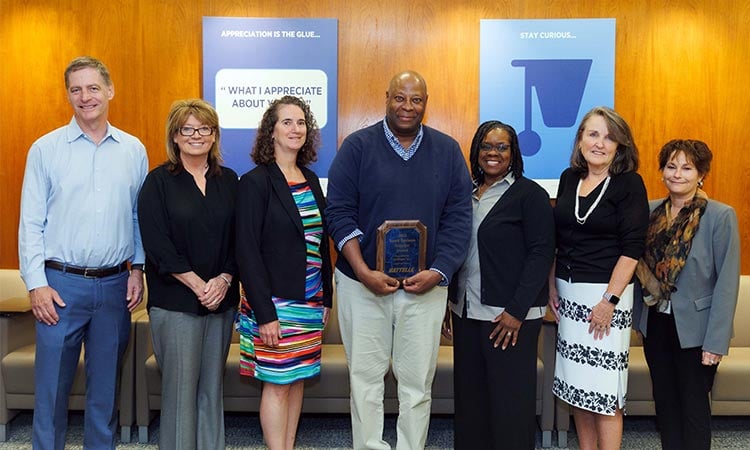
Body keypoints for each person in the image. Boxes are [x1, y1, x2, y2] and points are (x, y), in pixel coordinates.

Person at [326, 70, 472, 450]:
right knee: (364, 379)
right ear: (387, 97)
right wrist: (362, 270)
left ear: (426, 102)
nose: (408, 107)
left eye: (417, 99)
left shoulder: (447, 150)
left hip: (425, 287)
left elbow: (459, 217)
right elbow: (338, 212)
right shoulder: (356, 147)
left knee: (417, 383)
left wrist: (439, 272)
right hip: (362, 286)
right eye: (400, 98)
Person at [18, 56, 147, 450]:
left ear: (110, 91)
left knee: (105, 392)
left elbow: (139, 217)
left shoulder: (133, 150)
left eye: (93, 88)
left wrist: (138, 268)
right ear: (68, 95)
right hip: (59, 287)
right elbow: (30, 223)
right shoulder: (46, 149)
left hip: (114, 286)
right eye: (76, 89)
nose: (85, 97)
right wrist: (36, 284)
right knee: (51, 391)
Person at [443, 121, 555, 450]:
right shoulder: (465, 194)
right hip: (466, 311)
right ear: (476, 151)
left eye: (502, 147)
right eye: (486, 146)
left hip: (508, 318)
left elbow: (541, 254)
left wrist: (516, 312)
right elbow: (454, 250)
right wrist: (449, 302)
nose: (493, 153)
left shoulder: (529, 195)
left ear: (513, 153)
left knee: (510, 403)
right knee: (471, 399)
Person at [137, 99, 240, 449]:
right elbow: (157, 244)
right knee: (180, 395)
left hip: (221, 303)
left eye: (204, 129)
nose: (196, 135)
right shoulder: (158, 182)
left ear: (214, 135)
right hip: (176, 303)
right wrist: (197, 284)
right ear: (175, 137)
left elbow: (239, 240)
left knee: (212, 391)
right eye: (188, 129)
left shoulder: (230, 181)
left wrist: (224, 280)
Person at [548, 106, 649, 450]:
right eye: (593, 134)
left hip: (607, 297)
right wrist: (551, 284)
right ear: (579, 141)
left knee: (604, 394)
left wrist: (609, 301)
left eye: (609, 137)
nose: (600, 143)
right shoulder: (568, 178)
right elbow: (557, 239)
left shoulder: (629, 184)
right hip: (568, 295)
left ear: (620, 147)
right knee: (578, 390)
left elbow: (632, 249)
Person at [235, 95, 333, 450]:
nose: (296, 129)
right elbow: (246, 251)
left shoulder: (309, 178)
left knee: (297, 381)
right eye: (287, 122)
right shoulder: (256, 182)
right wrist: (265, 313)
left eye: (301, 123)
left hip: (309, 302)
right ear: (271, 132)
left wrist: (326, 297)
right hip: (275, 304)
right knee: (277, 383)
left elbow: (320, 243)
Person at [632, 139, 740, 450]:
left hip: (698, 330)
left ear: (701, 174)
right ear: (662, 171)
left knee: (693, 408)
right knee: (665, 405)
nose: (678, 174)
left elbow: (727, 282)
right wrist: (639, 316)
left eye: (687, 167)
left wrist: (715, 342)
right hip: (656, 324)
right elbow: (637, 265)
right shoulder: (649, 211)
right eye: (671, 166)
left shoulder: (720, 216)